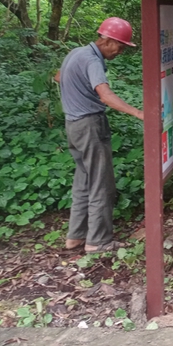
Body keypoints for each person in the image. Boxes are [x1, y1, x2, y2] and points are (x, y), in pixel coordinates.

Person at [55, 17, 144, 253]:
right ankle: (98, 241)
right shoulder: (93, 60)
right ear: (107, 40)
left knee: (83, 180)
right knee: (101, 182)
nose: (120, 52)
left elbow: (58, 77)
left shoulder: (75, 53)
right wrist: (138, 113)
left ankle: (75, 236)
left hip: (73, 125)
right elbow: (105, 95)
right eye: (120, 47)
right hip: (89, 126)